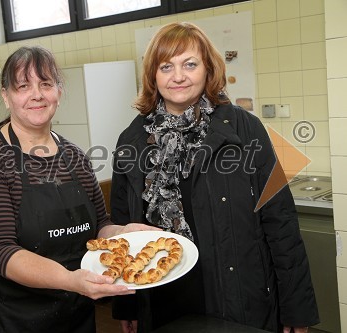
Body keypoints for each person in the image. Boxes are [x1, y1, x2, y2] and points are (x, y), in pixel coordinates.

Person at [110, 22, 319, 333]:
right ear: (153, 75)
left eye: (189, 64)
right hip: (162, 298)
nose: (178, 76)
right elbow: (125, 232)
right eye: (166, 66)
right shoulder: (132, 139)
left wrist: (296, 309)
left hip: (236, 298)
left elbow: (280, 221)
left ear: (208, 69)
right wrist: (126, 304)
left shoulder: (244, 128)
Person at [0, 45, 158, 333]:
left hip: (70, 306)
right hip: (7, 311)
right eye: (23, 86)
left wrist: (122, 233)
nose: (37, 94)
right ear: (6, 96)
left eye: (46, 84)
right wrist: (70, 280)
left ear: (58, 93)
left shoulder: (74, 157)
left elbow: (100, 225)